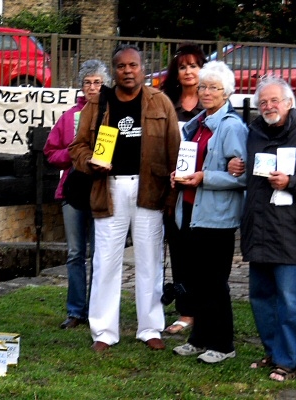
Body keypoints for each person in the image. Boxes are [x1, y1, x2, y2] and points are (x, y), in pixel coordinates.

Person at [69, 44, 181, 352]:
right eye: (121, 66)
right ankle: (104, 332)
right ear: (114, 70)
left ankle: (150, 328)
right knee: (105, 261)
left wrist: (172, 196)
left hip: (150, 190)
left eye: (133, 65)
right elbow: (76, 147)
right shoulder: (97, 104)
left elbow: (175, 151)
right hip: (109, 189)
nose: (128, 71)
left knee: (150, 261)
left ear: (143, 69)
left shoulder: (161, 103)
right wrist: (90, 160)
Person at [239, 76, 296, 381]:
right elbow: (247, 175)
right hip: (260, 229)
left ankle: (289, 361)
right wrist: (236, 166)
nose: (268, 106)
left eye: (274, 100)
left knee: (290, 301)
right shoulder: (253, 134)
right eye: (263, 102)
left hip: (293, 232)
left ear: (289, 103)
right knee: (260, 298)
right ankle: (272, 352)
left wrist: (291, 182)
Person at [169, 61, 248, 363]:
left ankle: (223, 344)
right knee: (197, 281)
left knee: (215, 282)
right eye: (203, 86)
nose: (206, 92)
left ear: (227, 92)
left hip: (216, 217)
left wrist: (205, 177)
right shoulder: (198, 124)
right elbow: (191, 163)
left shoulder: (231, 127)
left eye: (213, 87)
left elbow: (241, 177)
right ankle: (200, 338)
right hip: (189, 210)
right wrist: (179, 174)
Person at [43, 59, 110, 329]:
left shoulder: (112, 113)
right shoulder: (70, 116)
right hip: (72, 191)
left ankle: (97, 308)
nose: (92, 88)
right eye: (87, 83)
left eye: (97, 82)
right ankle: (75, 310)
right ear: (81, 87)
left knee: (100, 253)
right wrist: (73, 155)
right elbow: (50, 151)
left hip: (103, 190)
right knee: (75, 254)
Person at [159, 43, 207, 334]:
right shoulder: (165, 103)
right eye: (183, 66)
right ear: (176, 73)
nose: (189, 71)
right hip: (173, 188)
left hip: (205, 189)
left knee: (203, 251)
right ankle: (186, 311)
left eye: (194, 65)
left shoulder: (212, 101)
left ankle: (205, 306)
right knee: (178, 248)